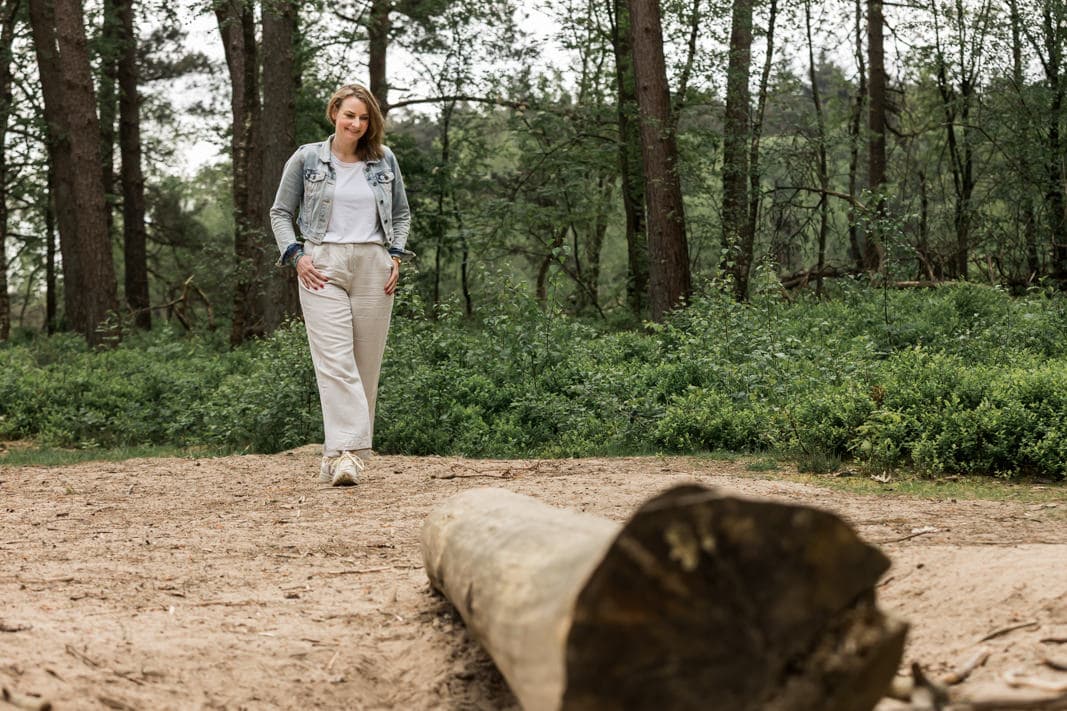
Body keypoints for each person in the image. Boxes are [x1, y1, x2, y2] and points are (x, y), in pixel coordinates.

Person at [269, 83, 411, 487]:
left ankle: (338, 453)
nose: (357, 124)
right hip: (322, 263)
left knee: (366, 364)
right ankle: (349, 454)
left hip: (373, 263)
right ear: (334, 113)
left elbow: (401, 213)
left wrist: (395, 255)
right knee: (335, 359)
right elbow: (280, 212)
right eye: (350, 115)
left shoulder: (384, 160)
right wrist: (297, 256)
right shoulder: (307, 157)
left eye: (365, 118)